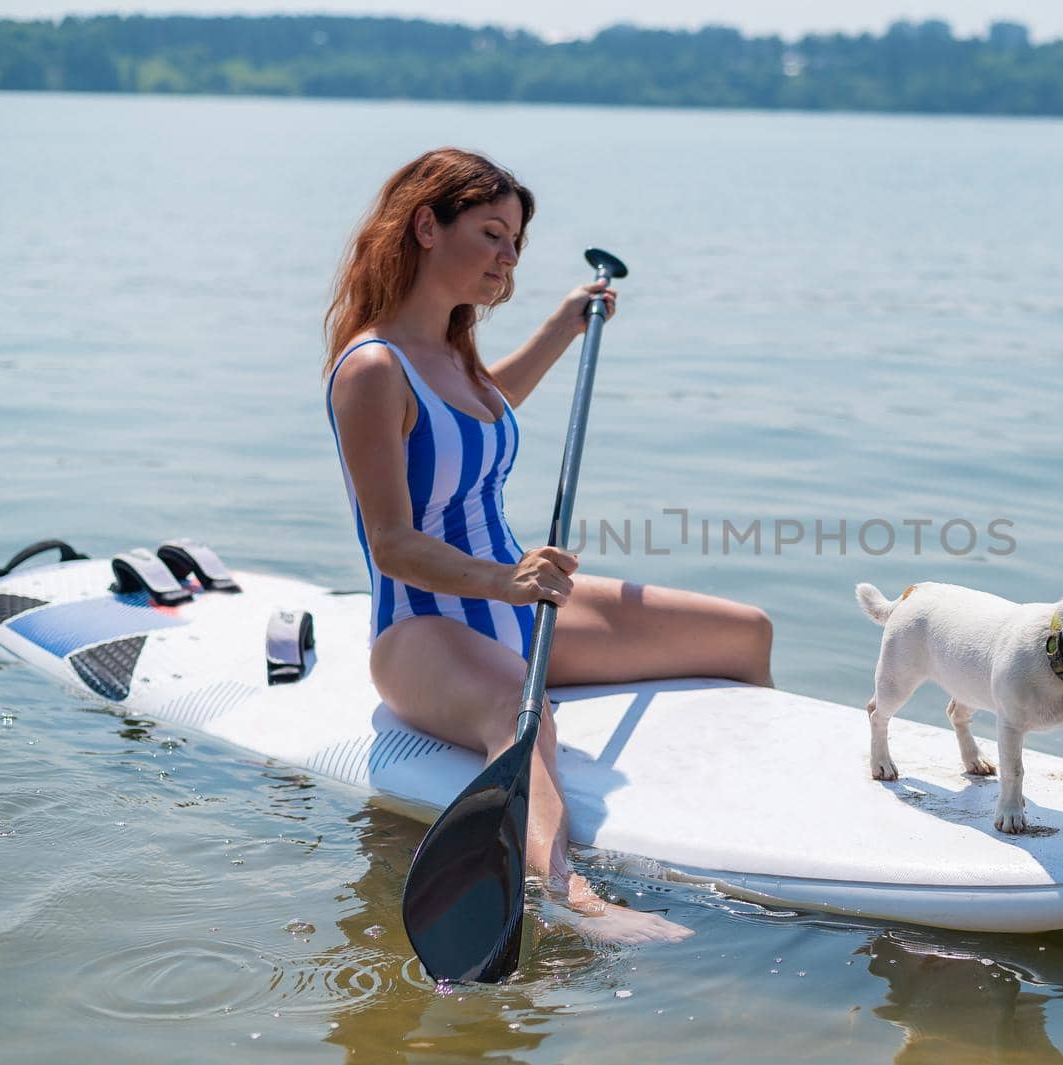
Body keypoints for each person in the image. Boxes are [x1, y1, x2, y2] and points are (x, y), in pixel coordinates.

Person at [322, 147, 774, 944]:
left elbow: (496, 399)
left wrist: (569, 322)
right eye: (492, 234)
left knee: (746, 631)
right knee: (518, 711)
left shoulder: (454, 360)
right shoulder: (373, 369)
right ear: (426, 226)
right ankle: (569, 894)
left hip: (520, 602)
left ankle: (768, 813)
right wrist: (507, 581)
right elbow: (391, 543)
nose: (508, 257)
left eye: (517, 243)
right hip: (423, 629)